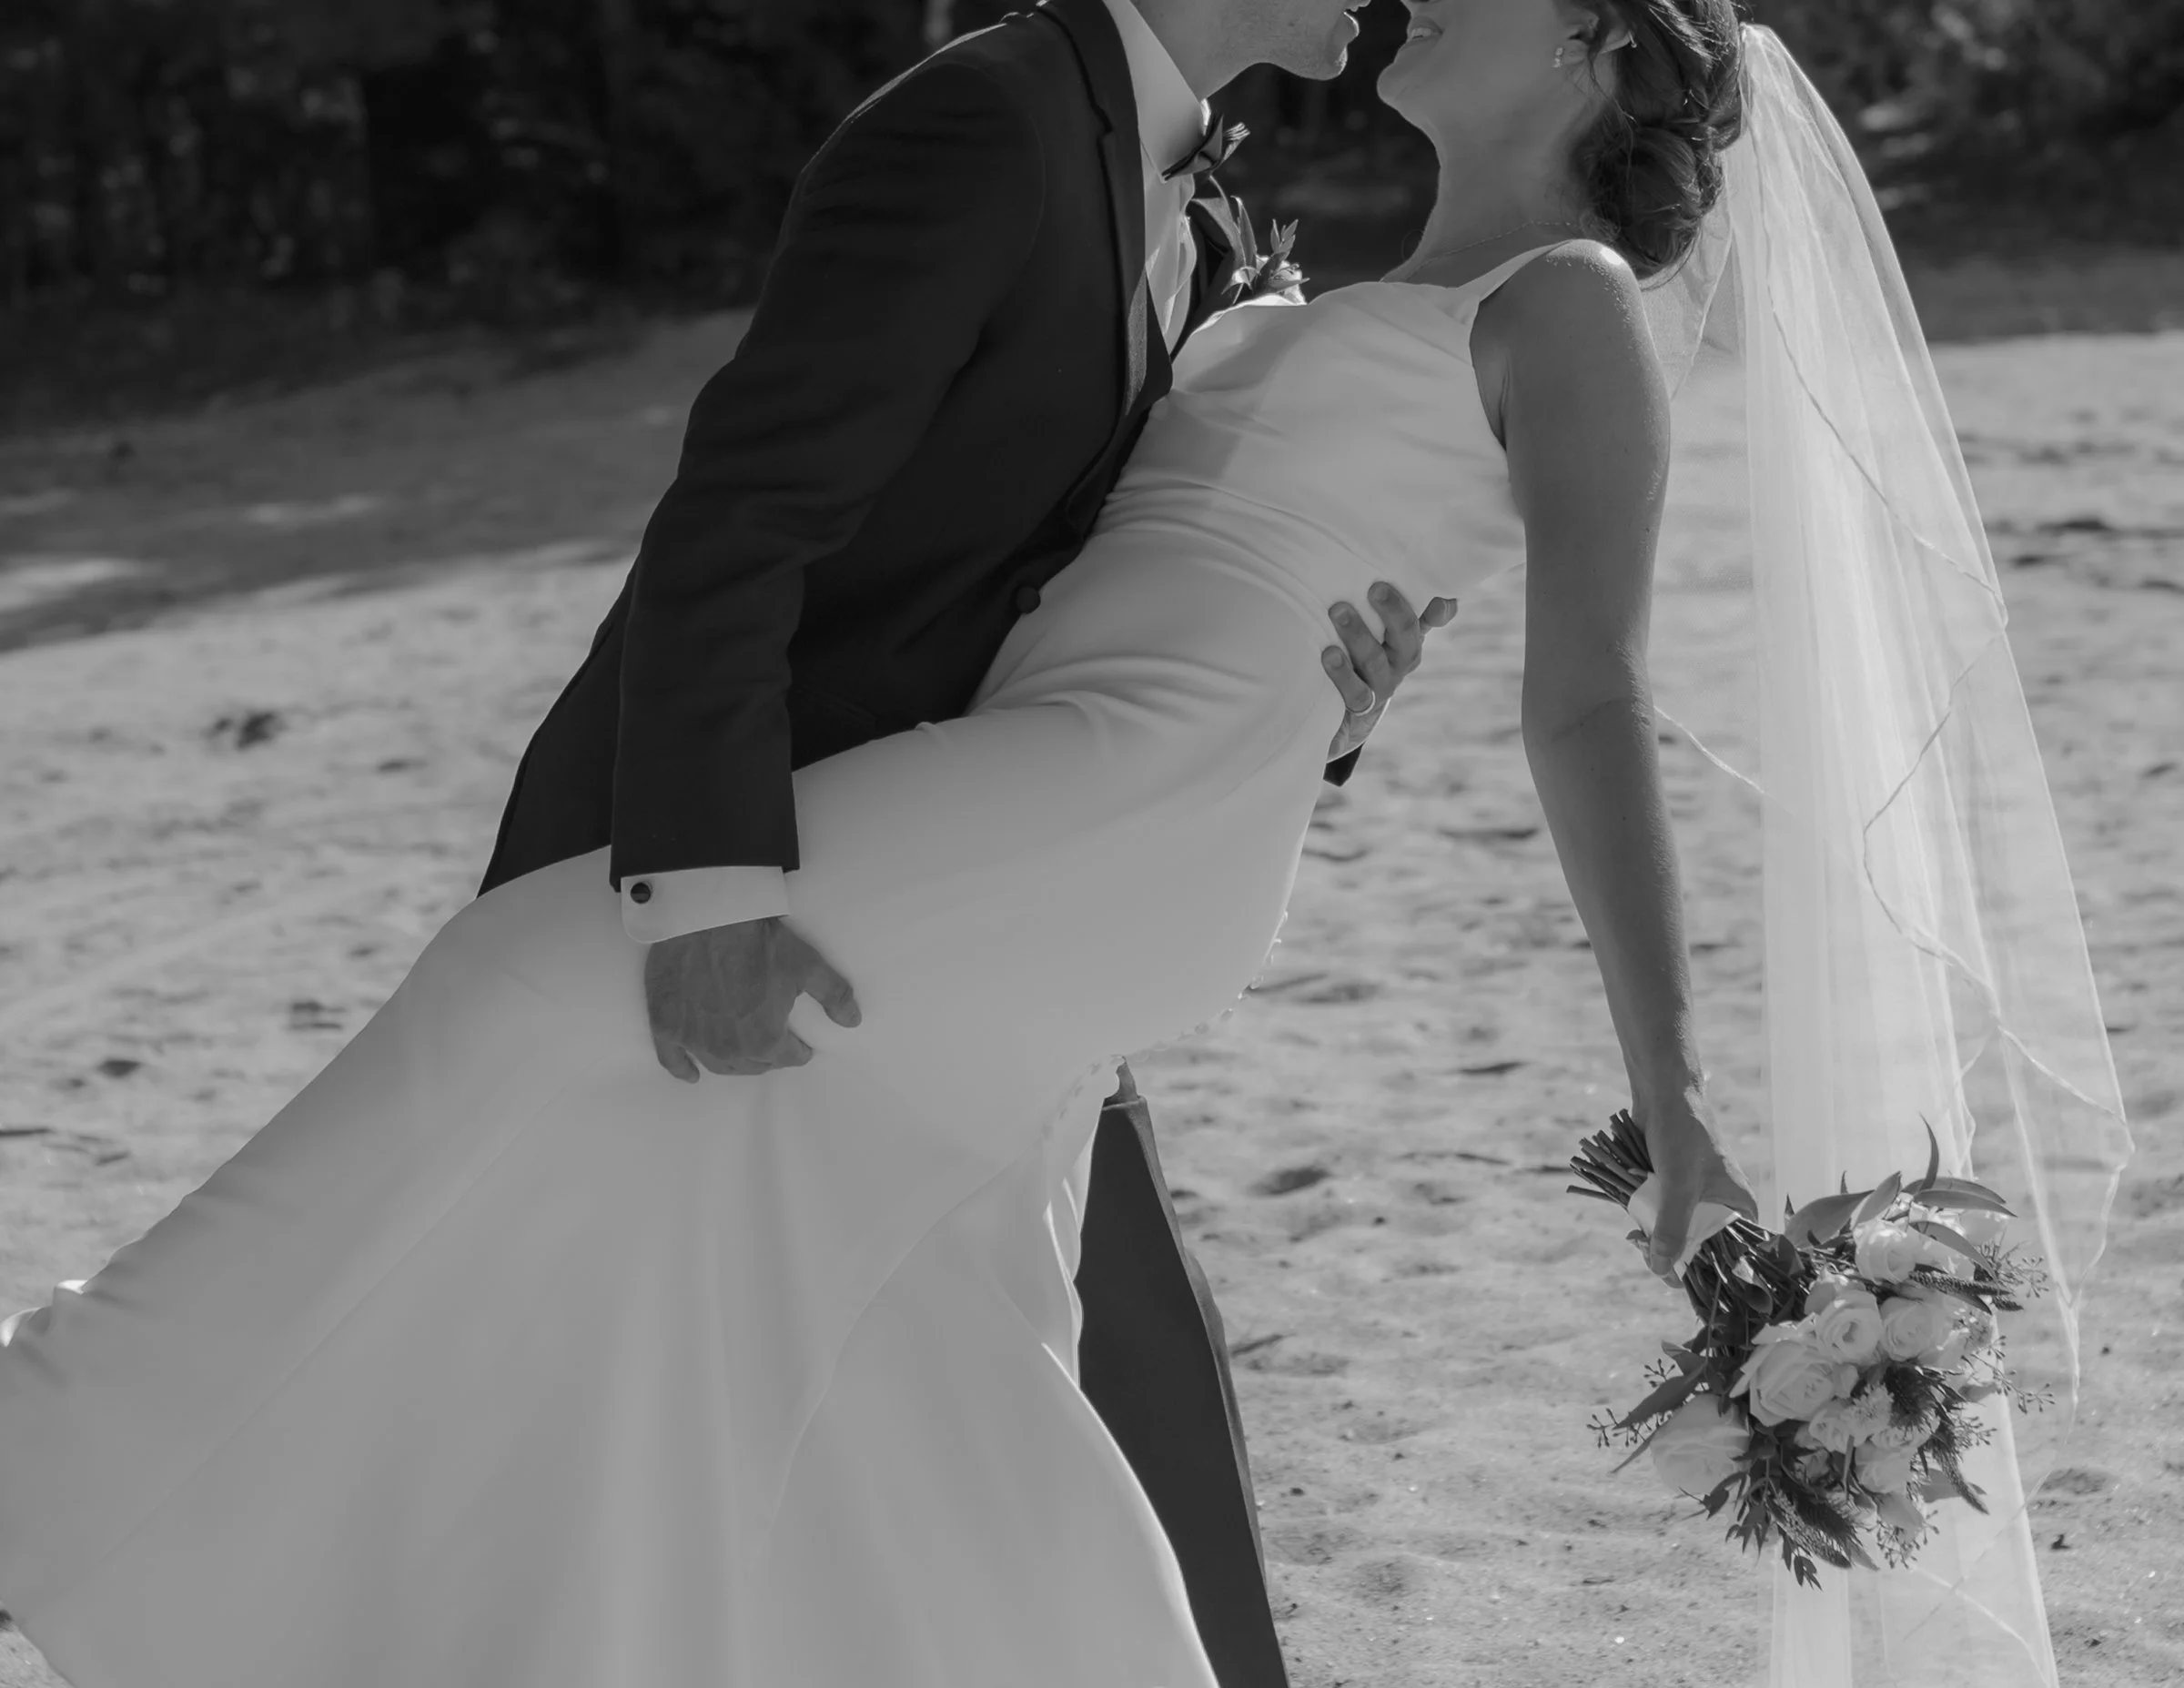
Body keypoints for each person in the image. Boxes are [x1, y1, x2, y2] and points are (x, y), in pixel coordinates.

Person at [1, 2, 2123, 1684]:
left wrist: (1671, 1102)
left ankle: (49, 1449)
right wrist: (1327, 692)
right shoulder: (1306, 254)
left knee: (526, 989)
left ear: (1585, 46)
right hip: (1088, 780)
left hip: (1121, 809)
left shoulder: (1569, 308)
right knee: (935, 1338)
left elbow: (1582, 697)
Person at [475, 2, 1449, 1679]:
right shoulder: (982, 125)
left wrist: (1326, 699)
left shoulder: (1172, 167)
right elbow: (738, 511)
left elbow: (1116, 563)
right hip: (751, 882)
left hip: (977, 867)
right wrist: (707, 896)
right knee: (506, 1376)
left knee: (1129, 1326)